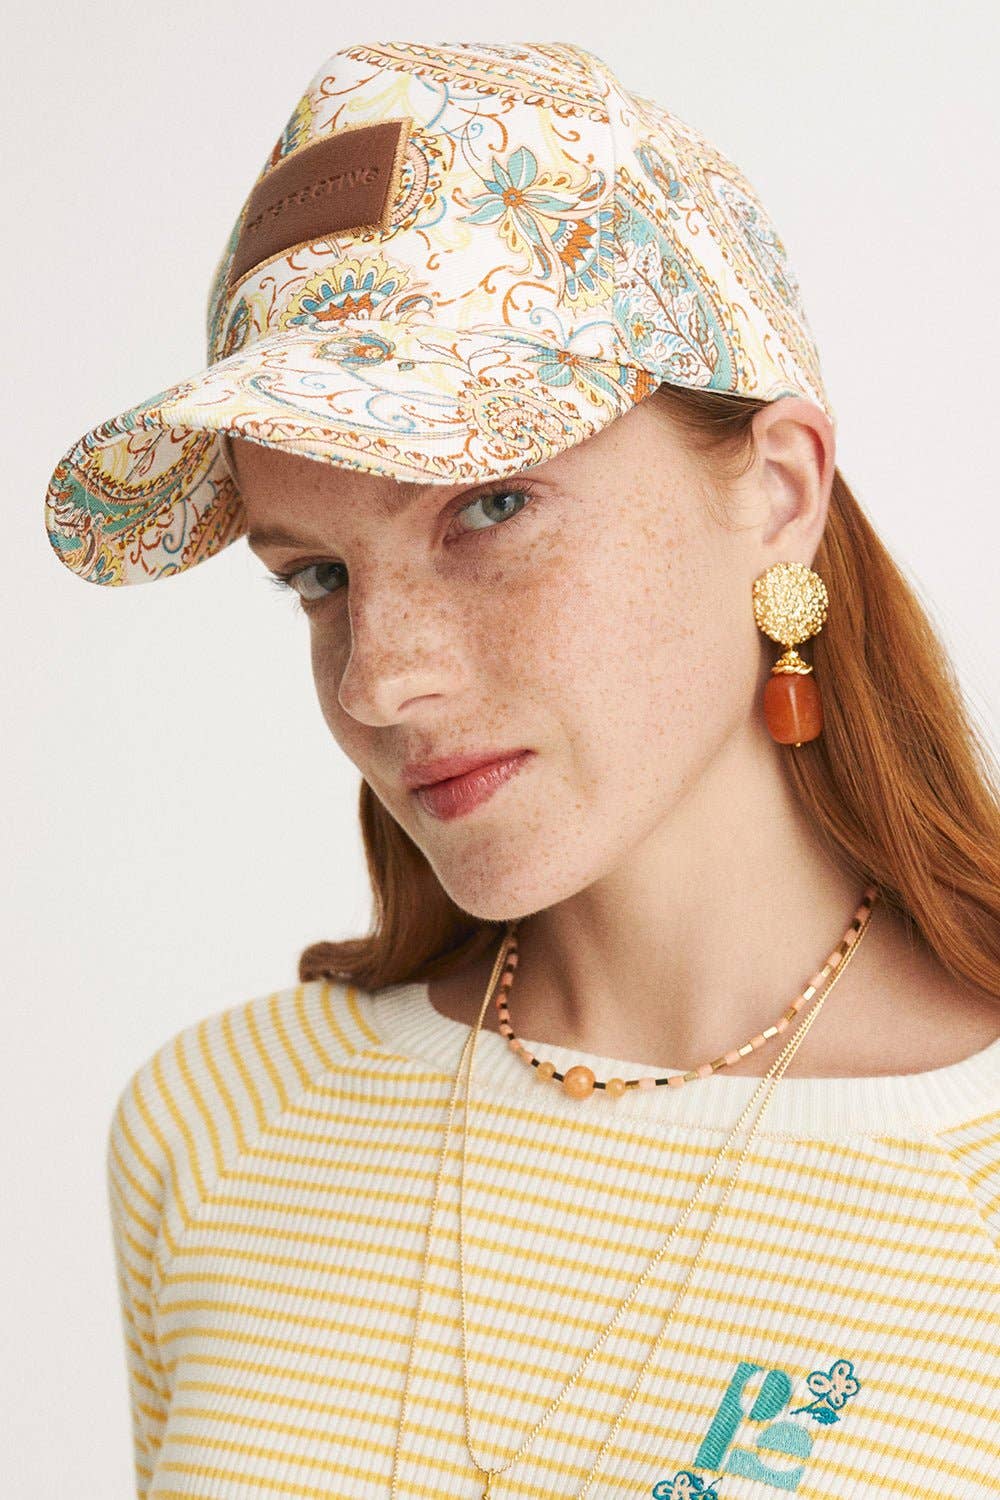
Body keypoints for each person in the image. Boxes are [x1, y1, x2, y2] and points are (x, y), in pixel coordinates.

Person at [44, 40, 1000, 1500]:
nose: (377, 679)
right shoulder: (220, 1127)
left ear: (779, 493)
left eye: (489, 506)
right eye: (316, 576)